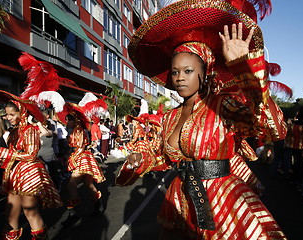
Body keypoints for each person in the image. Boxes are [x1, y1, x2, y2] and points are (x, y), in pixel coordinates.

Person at [117, 1, 292, 239]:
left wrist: (243, 68)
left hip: (222, 202)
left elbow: (274, 127)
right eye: (175, 71)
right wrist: (139, 158)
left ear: (206, 71)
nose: (179, 78)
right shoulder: (169, 117)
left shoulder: (223, 106)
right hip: (179, 199)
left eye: (188, 71)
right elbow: (158, 152)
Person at [0, 90, 62, 240]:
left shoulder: (30, 131)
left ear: (22, 113)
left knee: (30, 212)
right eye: (7, 115)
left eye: (12, 115)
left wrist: (4, 153)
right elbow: (11, 151)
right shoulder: (14, 131)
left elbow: (31, 155)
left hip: (29, 174)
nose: (8, 118)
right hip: (14, 174)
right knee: (10, 213)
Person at [57, 102, 106, 214]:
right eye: (66, 120)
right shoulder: (76, 129)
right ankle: (99, 205)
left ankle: (74, 212)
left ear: (76, 120)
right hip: (82, 158)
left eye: (69, 120)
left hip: (81, 159)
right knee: (88, 184)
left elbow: (80, 147)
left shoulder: (78, 130)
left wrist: (73, 160)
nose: (67, 122)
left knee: (71, 185)